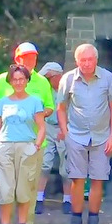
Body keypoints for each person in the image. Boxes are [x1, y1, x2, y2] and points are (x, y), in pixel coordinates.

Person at [57, 43, 112, 224]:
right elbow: (61, 108)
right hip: (76, 136)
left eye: (90, 59)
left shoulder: (107, 77)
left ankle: (93, 218)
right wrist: (66, 132)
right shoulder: (68, 79)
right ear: (77, 61)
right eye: (82, 60)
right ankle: (76, 218)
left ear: (96, 60)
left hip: (102, 137)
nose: (86, 63)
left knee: (98, 179)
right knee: (77, 179)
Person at [0, 42, 54, 224]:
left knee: (27, 189)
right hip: (6, 144)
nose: (29, 60)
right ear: (16, 58)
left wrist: (36, 115)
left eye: (33, 56)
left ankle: (26, 223)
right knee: (5, 189)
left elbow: (49, 107)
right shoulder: (2, 80)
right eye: (25, 57)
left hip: (33, 144)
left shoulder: (42, 82)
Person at [35, 62, 72, 215]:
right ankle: (38, 199)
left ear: (58, 75)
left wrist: (66, 128)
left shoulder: (68, 88)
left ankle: (68, 200)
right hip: (48, 127)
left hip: (66, 127)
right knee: (44, 164)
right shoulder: (45, 89)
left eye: (50, 77)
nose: (48, 80)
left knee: (67, 167)